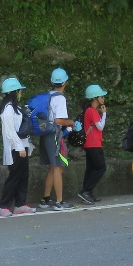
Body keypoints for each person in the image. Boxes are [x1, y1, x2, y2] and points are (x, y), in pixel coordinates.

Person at [0, 78, 36, 217]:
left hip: (22, 146)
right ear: (15, 91)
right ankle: (3, 205)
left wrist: (26, 146)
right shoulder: (8, 109)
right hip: (15, 148)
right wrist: (19, 147)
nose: (21, 93)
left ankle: (20, 204)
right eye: (19, 90)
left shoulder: (15, 107)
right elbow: (10, 131)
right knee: (14, 176)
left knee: (23, 176)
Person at [39, 68, 75, 211]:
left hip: (45, 133)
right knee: (58, 167)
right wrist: (71, 122)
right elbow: (59, 120)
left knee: (52, 168)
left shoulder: (48, 96)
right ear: (65, 82)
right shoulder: (60, 98)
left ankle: (45, 199)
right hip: (54, 134)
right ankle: (59, 202)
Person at [79, 84, 108, 204]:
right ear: (95, 98)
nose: (103, 98)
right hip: (94, 143)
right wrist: (104, 113)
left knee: (91, 169)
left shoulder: (89, 110)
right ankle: (86, 191)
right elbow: (100, 126)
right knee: (101, 167)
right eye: (101, 96)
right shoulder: (92, 111)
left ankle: (87, 193)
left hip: (89, 144)